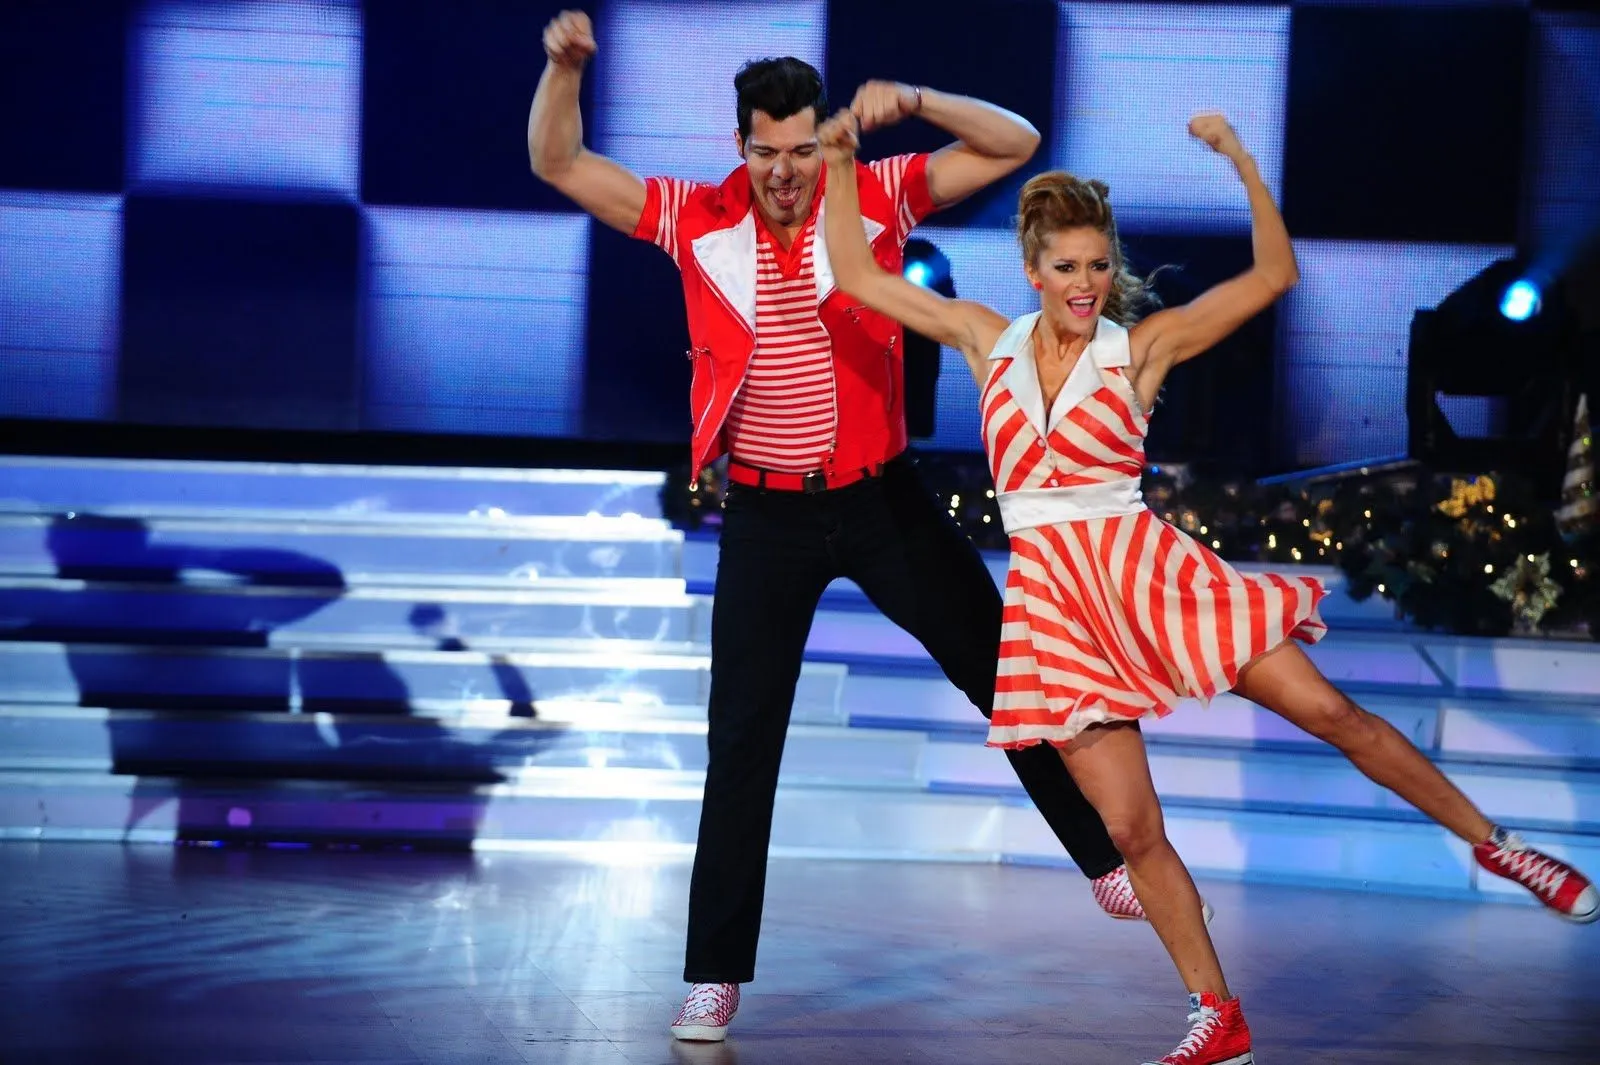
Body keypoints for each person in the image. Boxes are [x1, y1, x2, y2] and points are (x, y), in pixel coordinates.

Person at [817, 107, 1598, 1065]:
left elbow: (1275, 276)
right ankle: (1217, 1015)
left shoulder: (1139, 347)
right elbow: (856, 274)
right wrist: (845, 165)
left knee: (1334, 714)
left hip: (1152, 578)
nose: (1085, 284)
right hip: (1056, 610)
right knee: (1130, 826)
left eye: (1099, 266)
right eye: (1066, 266)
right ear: (1033, 271)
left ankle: (1497, 843)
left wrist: (1240, 163)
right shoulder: (987, 340)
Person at [526, 9, 1193, 1043]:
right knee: (741, 743)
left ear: (819, 140)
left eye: (801, 150)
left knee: (1005, 673)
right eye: (767, 153)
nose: (786, 172)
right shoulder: (691, 217)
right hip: (766, 515)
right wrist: (564, 68)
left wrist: (915, 104)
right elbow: (558, 160)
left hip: (880, 500)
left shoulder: (872, 192)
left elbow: (1014, 143)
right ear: (739, 145)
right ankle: (712, 974)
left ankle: (1102, 858)